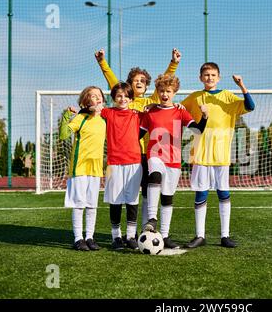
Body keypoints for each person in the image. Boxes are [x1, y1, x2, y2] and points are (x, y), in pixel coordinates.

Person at [94, 48, 182, 240]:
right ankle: (123, 234)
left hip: (148, 155)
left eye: (143, 81)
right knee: (127, 196)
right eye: (136, 80)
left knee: (146, 194)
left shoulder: (151, 102)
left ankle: (145, 230)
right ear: (129, 84)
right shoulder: (123, 101)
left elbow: (166, 85)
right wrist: (102, 63)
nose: (139, 83)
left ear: (147, 84)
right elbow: (113, 83)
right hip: (126, 156)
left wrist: (173, 63)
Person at [180, 62, 255, 249]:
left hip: (222, 154)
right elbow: (178, 111)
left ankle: (225, 236)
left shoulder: (227, 96)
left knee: (223, 193)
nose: (209, 78)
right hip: (200, 154)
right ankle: (199, 235)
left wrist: (242, 86)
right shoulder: (195, 97)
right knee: (201, 193)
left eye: (213, 75)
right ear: (200, 78)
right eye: (206, 75)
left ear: (218, 77)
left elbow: (250, 106)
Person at [139, 74, 208, 249]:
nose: (164, 94)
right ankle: (152, 219)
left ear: (174, 92)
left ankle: (165, 235)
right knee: (154, 175)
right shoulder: (150, 111)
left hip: (174, 159)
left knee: (168, 197)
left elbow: (198, 131)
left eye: (168, 91)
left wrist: (205, 116)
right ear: (157, 92)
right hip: (154, 154)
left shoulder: (180, 111)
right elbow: (138, 134)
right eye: (161, 91)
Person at [59, 86, 106, 251]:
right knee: (79, 204)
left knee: (92, 204)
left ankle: (90, 237)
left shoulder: (104, 120)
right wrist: (66, 116)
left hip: (96, 168)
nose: (97, 98)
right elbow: (64, 135)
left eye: (99, 95)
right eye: (92, 96)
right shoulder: (81, 118)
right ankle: (78, 239)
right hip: (79, 167)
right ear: (86, 101)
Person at [97, 82, 143, 250]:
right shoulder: (107, 113)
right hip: (114, 163)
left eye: (126, 96)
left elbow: (155, 111)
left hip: (134, 162)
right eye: (119, 96)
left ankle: (130, 236)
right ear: (114, 98)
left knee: (132, 200)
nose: (122, 99)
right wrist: (79, 109)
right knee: (115, 200)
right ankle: (116, 237)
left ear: (131, 98)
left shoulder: (137, 114)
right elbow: (92, 108)